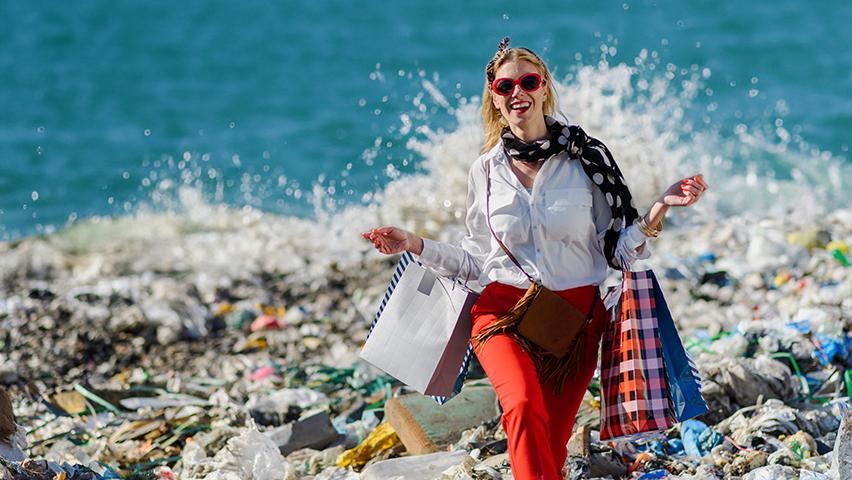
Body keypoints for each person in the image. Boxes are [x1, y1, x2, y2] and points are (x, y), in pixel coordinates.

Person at [362, 38, 708, 480]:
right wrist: (414, 243)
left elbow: (619, 251)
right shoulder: (485, 170)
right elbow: (475, 261)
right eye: (505, 86)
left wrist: (658, 209)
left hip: (576, 323)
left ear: (544, 88)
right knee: (521, 406)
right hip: (502, 316)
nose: (517, 93)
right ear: (494, 96)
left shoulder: (588, 161)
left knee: (551, 447)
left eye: (527, 82)